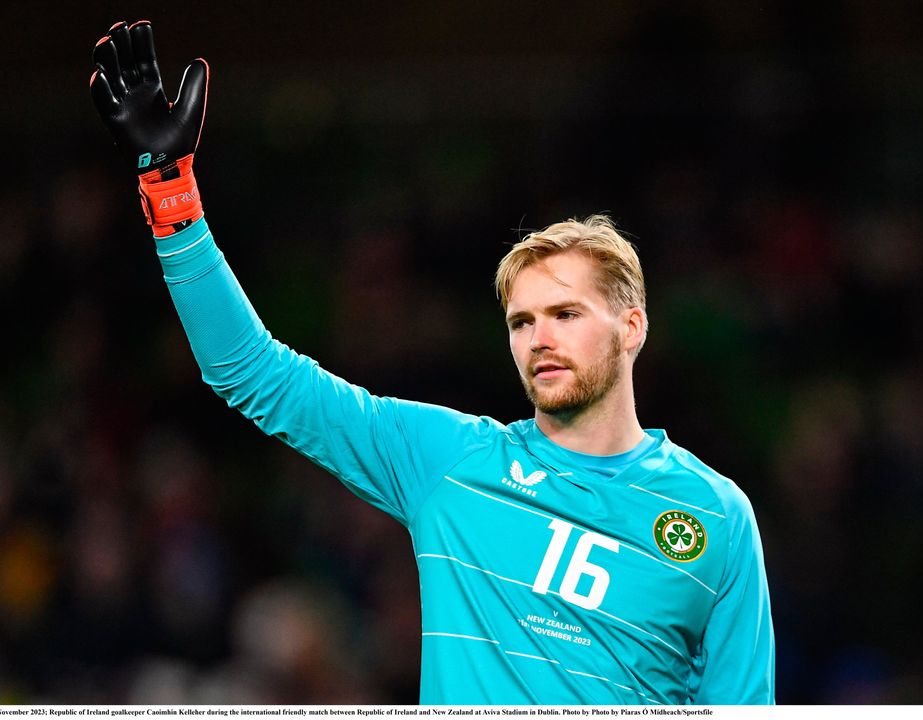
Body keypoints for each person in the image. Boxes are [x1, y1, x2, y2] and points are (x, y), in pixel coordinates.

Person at [90, 21, 775, 705]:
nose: (539, 338)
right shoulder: (449, 461)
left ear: (631, 328)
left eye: (565, 315)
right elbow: (249, 370)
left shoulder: (715, 515)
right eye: (521, 322)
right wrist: (169, 192)